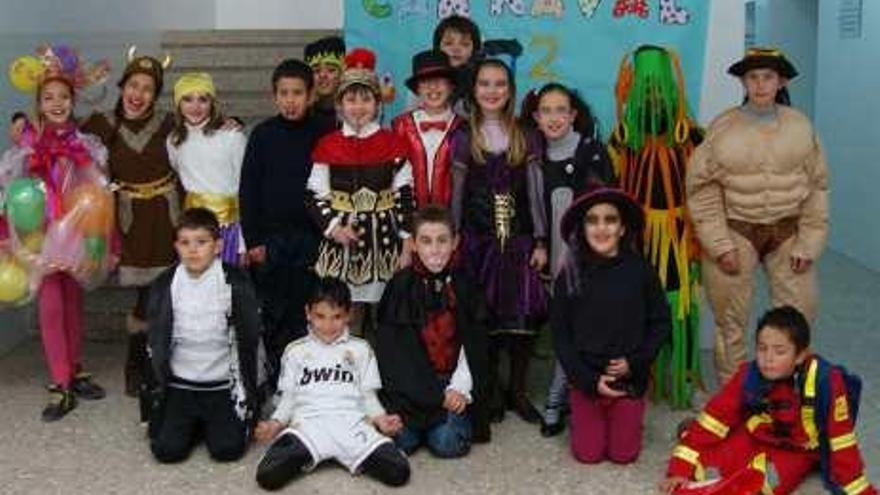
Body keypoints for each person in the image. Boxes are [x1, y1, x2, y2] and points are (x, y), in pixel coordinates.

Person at [687, 48, 829, 385]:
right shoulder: (723, 127)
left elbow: (818, 187)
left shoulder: (801, 126)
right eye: (753, 77)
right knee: (730, 322)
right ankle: (735, 396)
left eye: (768, 77)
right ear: (743, 81)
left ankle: (788, 394)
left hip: (789, 231)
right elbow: (701, 190)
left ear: (780, 81)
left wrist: (809, 243)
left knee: (797, 319)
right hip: (737, 229)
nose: (761, 84)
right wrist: (719, 244)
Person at [660, 306, 875, 495]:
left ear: (801, 355)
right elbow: (715, 417)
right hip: (757, 433)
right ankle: (691, 433)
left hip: (798, 448)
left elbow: (842, 440)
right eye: (762, 348)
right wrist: (679, 469)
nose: (767, 358)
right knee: (702, 467)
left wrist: (862, 491)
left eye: (779, 351)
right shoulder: (749, 374)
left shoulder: (827, 381)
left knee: (768, 483)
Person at [0, 56, 110, 421]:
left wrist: (98, 238)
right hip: (43, 240)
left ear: (72, 101)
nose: (57, 103)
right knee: (50, 305)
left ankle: (74, 368)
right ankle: (61, 382)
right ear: (38, 105)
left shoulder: (87, 145)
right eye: (48, 98)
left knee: (73, 302)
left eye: (63, 96)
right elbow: (13, 194)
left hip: (77, 235)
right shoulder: (26, 150)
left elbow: (98, 189)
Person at [450, 58, 548, 424]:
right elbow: (458, 193)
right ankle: (488, 389)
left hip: (520, 241)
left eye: (500, 84)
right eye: (485, 84)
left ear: (510, 90)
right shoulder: (464, 136)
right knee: (484, 318)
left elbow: (536, 193)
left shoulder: (527, 134)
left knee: (522, 318)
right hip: (478, 242)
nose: (492, 91)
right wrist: (456, 235)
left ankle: (518, 390)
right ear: (474, 90)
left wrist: (540, 240)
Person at [81, 49, 179, 397]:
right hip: (131, 219)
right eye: (133, 85)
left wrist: (232, 124)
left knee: (166, 292)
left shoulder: (170, 123)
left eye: (148, 88)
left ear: (156, 94)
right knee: (145, 295)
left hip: (168, 217)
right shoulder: (103, 123)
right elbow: (70, 143)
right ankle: (136, 364)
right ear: (123, 86)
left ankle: (164, 365)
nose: (138, 95)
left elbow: (203, 129)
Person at [253, 277, 410, 490]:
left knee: (399, 472)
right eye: (320, 316)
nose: (328, 325)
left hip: (351, 424)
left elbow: (368, 397)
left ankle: (351, 453)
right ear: (308, 313)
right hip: (309, 425)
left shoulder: (361, 349)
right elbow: (289, 399)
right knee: (267, 476)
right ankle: (308, 453)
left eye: (337, 317)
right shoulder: (295, 351)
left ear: (349, 315)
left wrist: (381, 420)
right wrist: (275, 424)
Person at [552, 185, 670, 464]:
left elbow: (660, 322)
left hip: (628, 379)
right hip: (586, 380)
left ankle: (625, 417)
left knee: (623, 455)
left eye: (610, 219)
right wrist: (587, 379)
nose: (601, 228)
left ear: (623, 228)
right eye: (592, 220)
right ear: (582, 228)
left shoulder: (641, 271)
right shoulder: (569, 276)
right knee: (588, 454)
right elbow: (561, 335)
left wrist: (636, 361)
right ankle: (583, 414)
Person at [522, 82, 615, 436]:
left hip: (586, 256)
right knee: (560, 326)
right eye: (546, 111)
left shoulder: (591, 151)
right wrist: (540, 244)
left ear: (573, 115)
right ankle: (562, 396)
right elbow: (531, 209)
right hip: (549, 257)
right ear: (535, 117)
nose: (554, 118)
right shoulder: (534, 157)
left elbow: (605, 205)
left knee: (581, 328)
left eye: (561, 110)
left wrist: (586, 252)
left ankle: (558, 398)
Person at [306, 47, 414, 336]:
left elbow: (405, 195)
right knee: (343, 316)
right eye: (351, 99)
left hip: (385, 245)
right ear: (340, 104)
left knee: (385, 319)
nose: (358, 106)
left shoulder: (394, 144)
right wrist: (333, 229)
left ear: (378, 103)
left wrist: (406, 243)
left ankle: (381, 376)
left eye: (366, 98)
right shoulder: (328, 144)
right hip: (341, 246)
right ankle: (344, 375)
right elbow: (314, 195)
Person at [141, 208, 261, 463]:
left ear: (218, 246)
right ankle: (189, 424)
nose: (192, 250)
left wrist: (250, 392)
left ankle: (208, 424)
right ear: (176, 246)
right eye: (185, 243)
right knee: (166, 452)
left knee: (227, 450)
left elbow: (249, 337)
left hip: (220, 385)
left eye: (201, 242)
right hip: (180, 386)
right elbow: (155, 341)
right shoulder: (166, 283)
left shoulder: (234, 282)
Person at [239, 59, 329, 383]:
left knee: (309, 308)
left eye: (298, 93)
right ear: (274, 96)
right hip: (272, 240)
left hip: (314, 239)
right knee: (274, 313)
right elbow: (248, 189)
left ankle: (310, 378)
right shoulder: (263, 135)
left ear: (311, 95)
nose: (291, 100)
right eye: (284, 93)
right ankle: (278, 379)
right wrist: (253, 241)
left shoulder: (325, 131)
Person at [376, 204, 490, 456]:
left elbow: (475, 344)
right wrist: (430, 395)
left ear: (455, 242)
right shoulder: (400, 286)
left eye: (442, 241)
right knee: (402, 440)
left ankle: (441, 425)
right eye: (426, 241)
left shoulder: (464, 286)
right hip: (411, 387)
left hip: (449, 383)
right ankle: (423, 426)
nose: (435, 250)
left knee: (447, 443)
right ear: (414, 244)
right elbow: (393, 354)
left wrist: (458, 389)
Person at [167, 72, 247, 265]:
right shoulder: (174, 140)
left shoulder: (232, 137)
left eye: (202, 99)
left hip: (227, 227)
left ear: (212, 103)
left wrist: (244, 241)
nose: (195, 107)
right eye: (187, 99)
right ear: (178, 104)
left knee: (225, 285)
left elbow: (245, 188)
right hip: (192, 228)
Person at [392, 49, 462, 208]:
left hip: (452, 220)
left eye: (439, 80)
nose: (432, 87)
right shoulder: (400, 126)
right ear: (417, 89)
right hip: (410, 218)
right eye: (425, 82)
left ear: (451, 86)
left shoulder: (464, 128)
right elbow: (394, 177)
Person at [433, 14, 482, 116]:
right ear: (438, 48)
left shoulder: (482, 81)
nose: (456, 49)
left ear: (474, 50)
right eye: (448, 43)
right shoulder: (425, 80)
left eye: (464, 44)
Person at [304, 35, 346, 128]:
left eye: (331, 70)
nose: (323, 75)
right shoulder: (300, 115)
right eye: (316, 70)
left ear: (343, 72)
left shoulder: (354, 114)